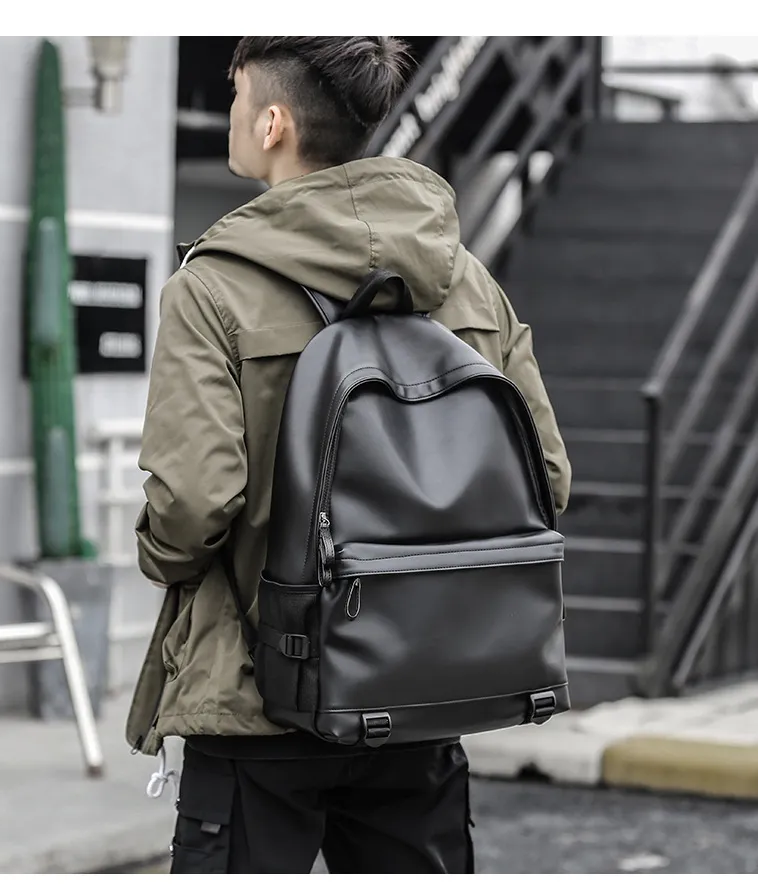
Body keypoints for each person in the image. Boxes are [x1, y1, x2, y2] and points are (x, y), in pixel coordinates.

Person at [126, 36, 572, 874]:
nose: (230, 116)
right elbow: (547, 476)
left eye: (235, 98)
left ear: (273, 123)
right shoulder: (465, 280)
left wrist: (157, 556)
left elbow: (193, 504)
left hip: (258, 694)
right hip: (419, 685)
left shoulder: (212, 287)